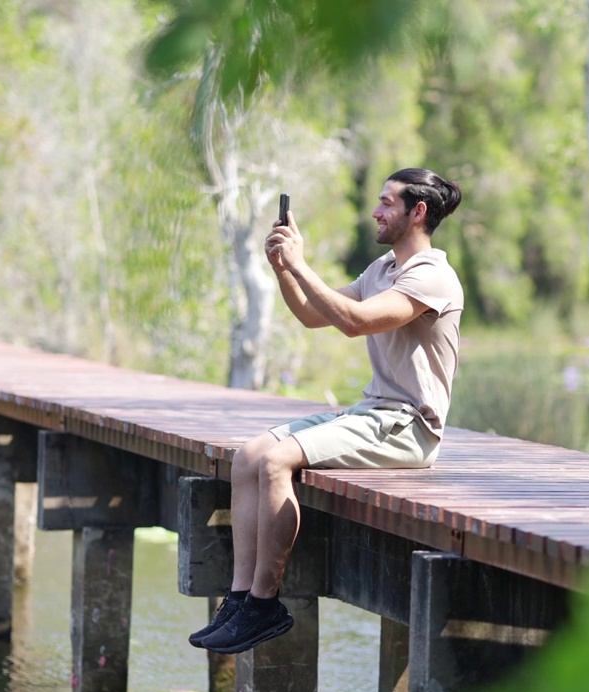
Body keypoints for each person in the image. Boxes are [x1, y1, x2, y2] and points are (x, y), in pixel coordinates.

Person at [190, 168, 464, 655]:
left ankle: (263, 603)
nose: (376, 211)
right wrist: (285, 269)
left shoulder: (433, 276)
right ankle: (238, 600)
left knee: (277, 463)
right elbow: (314, 315)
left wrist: (302, 262)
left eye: (386, 203)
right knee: (250, 455)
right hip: (373, 412)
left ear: (417, 212)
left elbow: (354, 323)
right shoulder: (382, 270)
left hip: (410, 426)